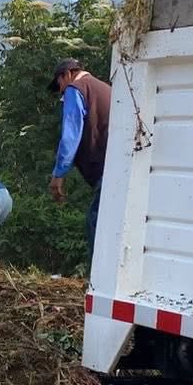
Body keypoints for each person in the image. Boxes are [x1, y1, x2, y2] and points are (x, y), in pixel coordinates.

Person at [49, 58, 111, 258]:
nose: (60, 91)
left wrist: (58, 174)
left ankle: (98, 278)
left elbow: (70, 136)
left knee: (96, 220)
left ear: (66, 75)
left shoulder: (75, 89)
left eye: (59, 84)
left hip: (105, 167)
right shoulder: (104, 88)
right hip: (119, 163)